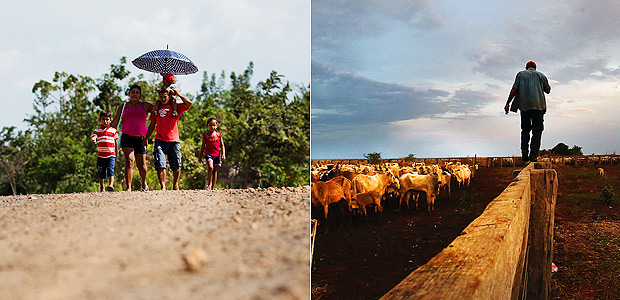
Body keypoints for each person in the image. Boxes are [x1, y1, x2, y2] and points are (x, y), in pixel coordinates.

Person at [145, 87, 192, 190]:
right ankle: (163, 186)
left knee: (175, 164)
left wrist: (178, 94)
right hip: (159, 139)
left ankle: (175, 183)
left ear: (169, 96)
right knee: (160, 163)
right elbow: (152, 125)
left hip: (173, 140)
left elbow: (189, 104)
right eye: (161, 97)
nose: (163, 99)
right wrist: (146, 138)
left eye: (165, 97)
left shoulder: (175, 106)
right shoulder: (156, 109)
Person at [504, 61, 551, 163]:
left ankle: (524, 153)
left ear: (526, 67)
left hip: (524, 107)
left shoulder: (520, 74)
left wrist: (508, 102)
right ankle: (533, 155)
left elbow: (514, 89)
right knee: (537, 131)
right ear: (535, 68)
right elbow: (548, 90)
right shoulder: (541, 75)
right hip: (538, 107)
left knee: (525, 130)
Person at [110, 84, 155, 191]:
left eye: (137, 92)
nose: (135, 94)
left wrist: (169, 95)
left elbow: (159, 109)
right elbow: (115, 122)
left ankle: (143, 183)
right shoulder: (123, 106)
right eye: (133, 92)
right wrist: (104, 131)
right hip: (127, 138)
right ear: (129, 94)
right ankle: (128, 187)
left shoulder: (145, 106)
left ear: (140, 95)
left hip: (141, 140)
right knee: (129, 161)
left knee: (142, 166)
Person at [91, 110, 118, 192]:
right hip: (101, 155)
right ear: (100, 120)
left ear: (110, 120)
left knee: (110, 169)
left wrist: (117, 151)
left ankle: (111, 185)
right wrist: (94, 139)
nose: (105, 121)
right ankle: (102, 187)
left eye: (107, 119)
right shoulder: (97, 131)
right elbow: (94, 136)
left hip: (111, 155)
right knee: (101, 171)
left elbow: (116, 142)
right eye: (103, 119)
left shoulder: (113, 131)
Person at [199, 117, 226, 190]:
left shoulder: (219, 135)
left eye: (214, 125)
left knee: (215, 171)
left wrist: (223, 154)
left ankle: (213, 187)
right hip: (208, 155)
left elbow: (222, 145)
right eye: (210, 125)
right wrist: (200, 157)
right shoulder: (205, 136)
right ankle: (209, 184)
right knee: (210, 167)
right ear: (207, 126)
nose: (212, 127)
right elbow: (203, 146)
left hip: (217, 155)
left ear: (217, 125)